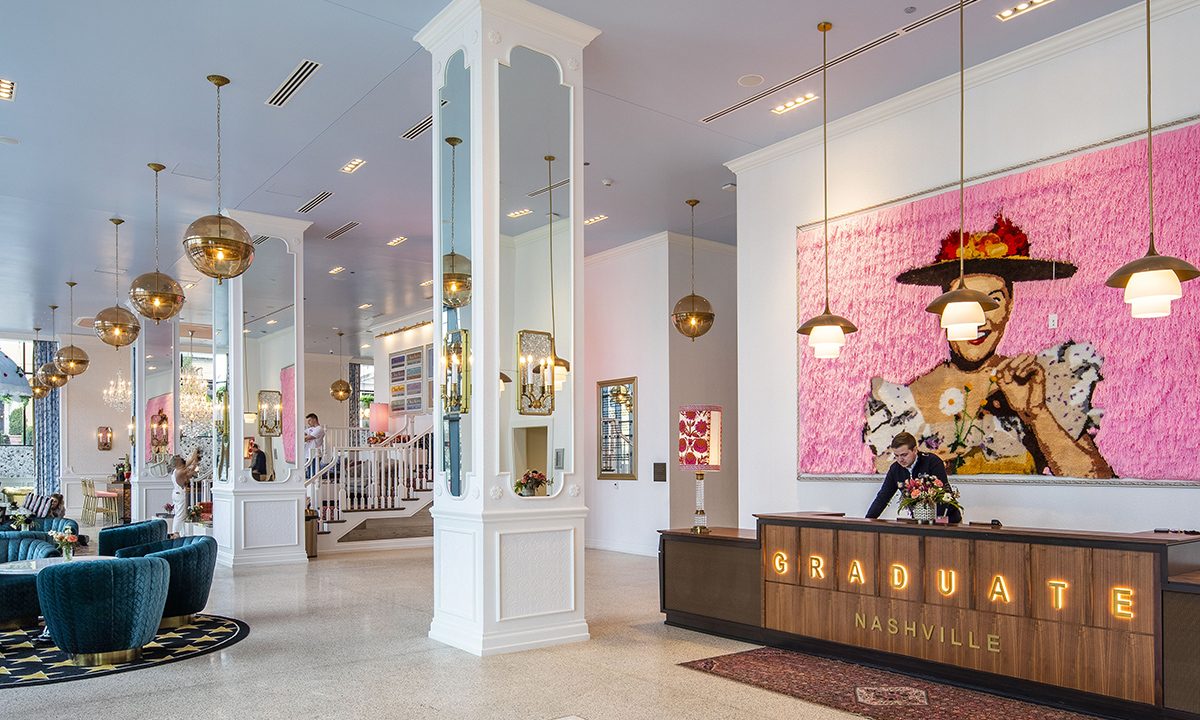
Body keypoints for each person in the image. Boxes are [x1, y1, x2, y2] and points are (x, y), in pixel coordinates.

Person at [864, 213, 1114, 478]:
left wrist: (1037, 413)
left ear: (1009, 307)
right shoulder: (904, 402)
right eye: (964, 306)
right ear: (943, 312)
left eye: (992, 301)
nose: (978, 319)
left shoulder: (1032, 382)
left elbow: (1096, 483)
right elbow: (892, 486)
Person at [867, 432, 962, 523]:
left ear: (915, 450)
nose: (900, 459)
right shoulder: (895, 469)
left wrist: (935, 525)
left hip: (948, 521)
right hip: (919, 522)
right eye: (896, 455)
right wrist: (868, 521)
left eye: (904, 455)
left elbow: (944, 493)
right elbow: (883, 497)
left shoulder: (932, 462)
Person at [171, 448, 201, 536]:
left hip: (176, 494)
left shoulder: (177, 470)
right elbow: (190, 470)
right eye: (181, 459)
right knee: (180, 516)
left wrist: (194, 458)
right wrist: (195, 461)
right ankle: (175, 533)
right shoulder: (180, 472)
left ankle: (181, 533)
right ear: (178, 463)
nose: (183, 460)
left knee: (181, 515)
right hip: (180, 494)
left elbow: (189, 464)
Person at [304, 413, 325, 478]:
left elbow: (307, 438)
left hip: (315, 454)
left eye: (309, 420)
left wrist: (305, 437)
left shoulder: (319, 429)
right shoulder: (310, 429)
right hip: (308, 454)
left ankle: (314, 488)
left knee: (313, 475)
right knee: (308, 475)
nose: (308, 423)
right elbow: (301, 434)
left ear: (314, 419)